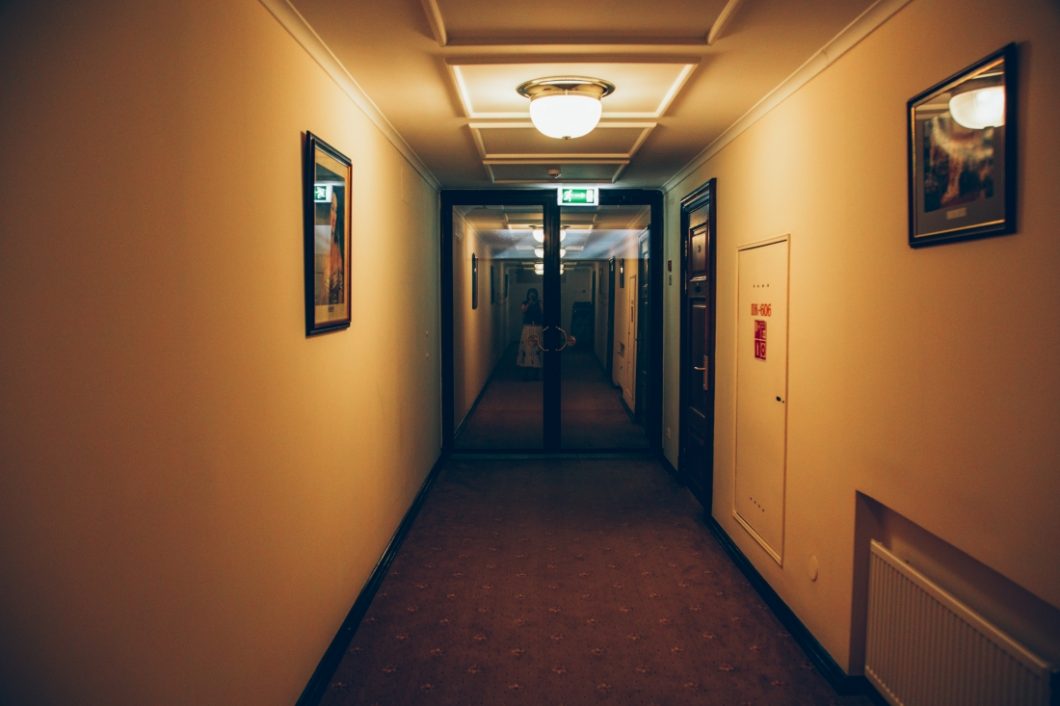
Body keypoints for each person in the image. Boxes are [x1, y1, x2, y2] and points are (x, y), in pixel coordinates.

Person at [516, 288, 543, 379]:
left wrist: (538, 303)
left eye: (533, 294)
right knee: (526, 349)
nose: (532, 296)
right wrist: (529, 303)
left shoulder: (539, 303)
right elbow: (523, 310)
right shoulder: (525, 302)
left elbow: (543, 311)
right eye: (530, 294)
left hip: (537, 328)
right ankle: (526, 373)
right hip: (527, 328)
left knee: (537, 349)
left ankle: (536, 373)